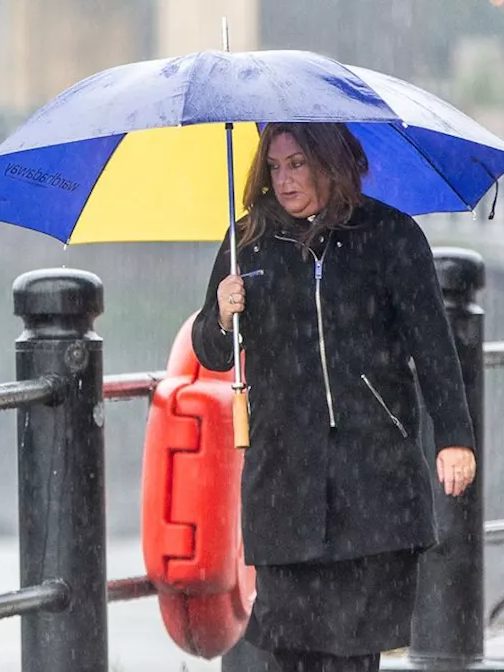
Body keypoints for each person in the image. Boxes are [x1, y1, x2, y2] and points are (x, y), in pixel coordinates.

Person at [190, 122, 477, 672]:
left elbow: (433, 345)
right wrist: (223, 314)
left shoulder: (389, 236)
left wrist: (454, 438)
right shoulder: (247, 243)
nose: (284, 180)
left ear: (330, 163)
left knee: (350, 645)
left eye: (297, 164)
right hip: (284, 479)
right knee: (289, 643)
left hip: (372, 478)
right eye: (274, 168)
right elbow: (213, 351)